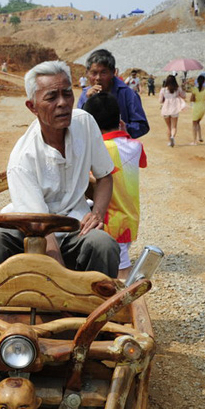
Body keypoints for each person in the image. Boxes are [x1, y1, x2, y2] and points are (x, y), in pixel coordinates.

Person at [0, 61, 119, 277]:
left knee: (104, 244)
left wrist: (97, 213)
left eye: (67, 94)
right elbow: (40, 230)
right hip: (28, 230)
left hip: (74, 225)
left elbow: (105, 176)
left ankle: (101, 308)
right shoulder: (22, 158)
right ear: (32, 107)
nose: (63, 103)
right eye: (51, 97)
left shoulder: (85, 123)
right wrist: (61, 282)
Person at [82, 93, 147, 282]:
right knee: (117, 262)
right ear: (119, 119)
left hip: (110, 220)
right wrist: (124, 132)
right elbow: (141, 162)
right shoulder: (136, 145)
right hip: (129, 218)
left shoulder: (97, 149)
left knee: (121, 274)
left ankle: (124, 304)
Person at [77, 49, 150, 138]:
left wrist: (119, 130)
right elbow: (79, 125)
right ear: (87, 73)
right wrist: (88, 101)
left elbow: (142, 126)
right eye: (94, 73)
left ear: (113, 73)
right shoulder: (85, 95)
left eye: (103, 72)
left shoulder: (127, 93)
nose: (98, 78)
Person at [159, 75, 186, 147]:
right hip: (175, 109)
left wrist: (165, 99)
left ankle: (169, 142)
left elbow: (160, 101)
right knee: (174, 126)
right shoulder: (178, 89)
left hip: (165, 109)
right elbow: (184, 96)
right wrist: (183, 89)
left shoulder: (163, 90)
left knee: (168, 127)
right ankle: (172, 137)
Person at [190, 74, 205, 144]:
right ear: (204, 81)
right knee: (198, 122)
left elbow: (192, 99)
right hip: (203, 106)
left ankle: (194, 140)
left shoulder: (194, 89)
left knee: (194, 123)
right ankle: (200, 137)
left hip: (196, 107)